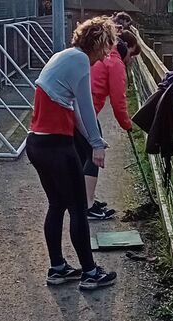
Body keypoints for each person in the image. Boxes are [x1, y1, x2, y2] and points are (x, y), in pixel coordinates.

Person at [26, 17, 117, 289]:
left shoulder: (63, 57)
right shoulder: (79, 61)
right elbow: (87, 108)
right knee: (78, 208)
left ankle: (57, 268)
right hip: (57, 146)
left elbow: (75, 109)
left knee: (56, 205)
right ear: (98, 43)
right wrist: (97, 144)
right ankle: (90, 273)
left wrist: (92, 141)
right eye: (106, 48)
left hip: (37, 144)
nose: (105, 56)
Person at [77, 30, 142, 219]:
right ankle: (87, 206)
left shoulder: (104, 54)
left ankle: (85, 199)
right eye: (131, 55)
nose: (131, 60)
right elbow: (118, 100)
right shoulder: (115, 63)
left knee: (84, 153)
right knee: (93, 153)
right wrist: (127, 124)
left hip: (80, 109)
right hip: (85, 111)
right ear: (127, 49)